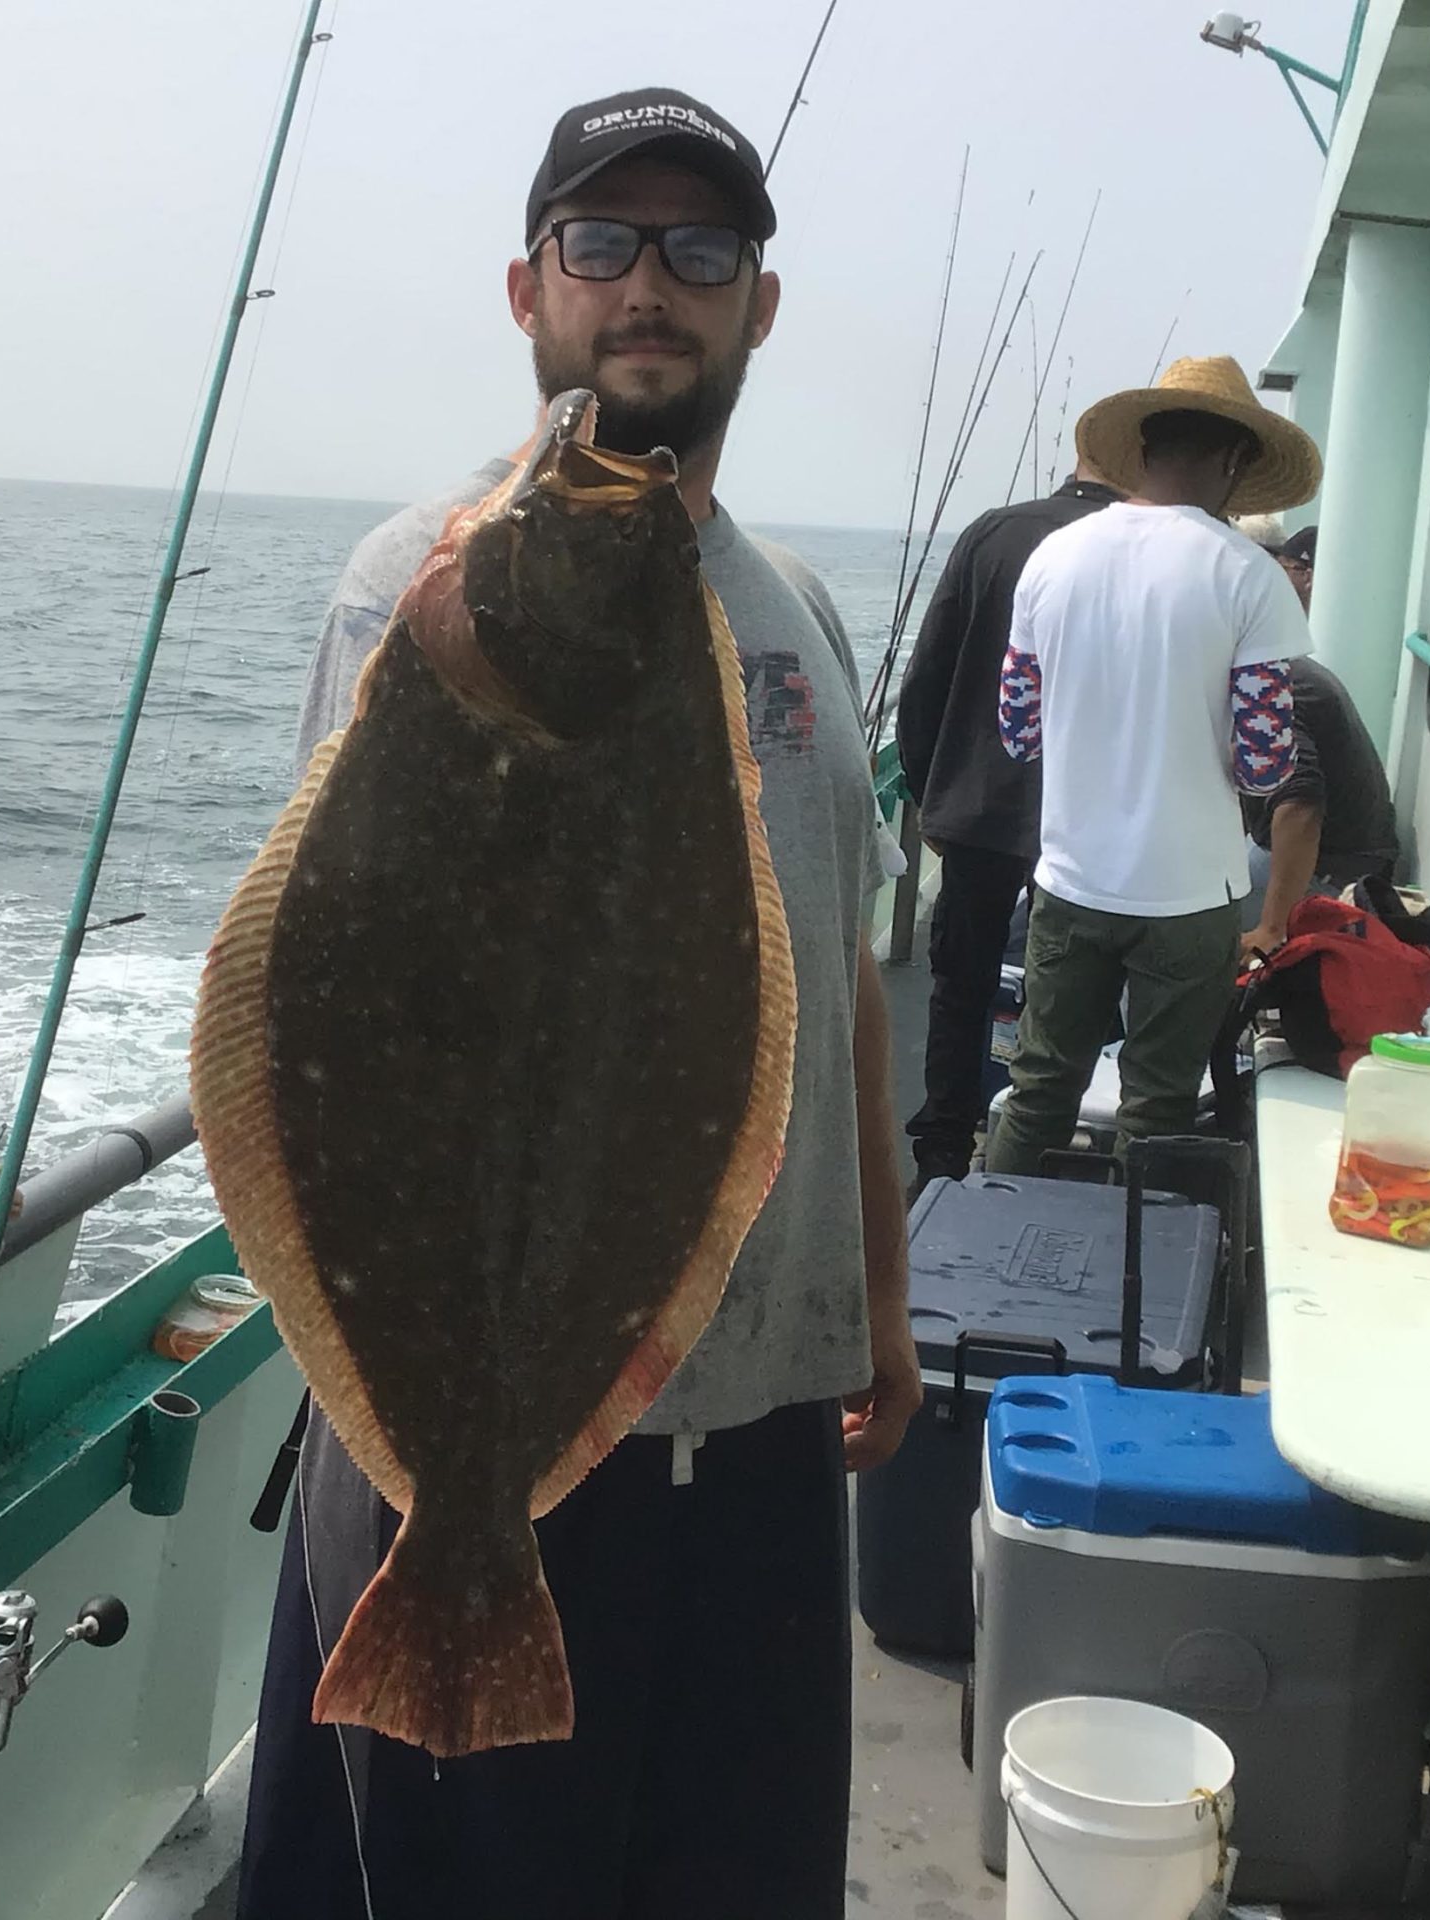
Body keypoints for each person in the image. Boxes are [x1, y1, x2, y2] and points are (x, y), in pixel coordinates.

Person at [239, 87, 918, 1920]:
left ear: (757, 306)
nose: (650, 289)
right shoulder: (416, 590)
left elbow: (831, 976)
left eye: (702, 253)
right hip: (474, 1429)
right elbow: (337, 1003)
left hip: (763, 1428)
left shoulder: (801, 618)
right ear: (528, 289)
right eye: (602, 246)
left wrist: (882, 1305)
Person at [986, 356, 1319, 1174]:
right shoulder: (1251, 575)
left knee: (1038, 1092)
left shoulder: (1054, 558)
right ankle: (1134, 1288)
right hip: (1191, 899)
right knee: (1157, 1107)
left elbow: (1018, 731)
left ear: (1144, 448)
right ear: (1236, 461)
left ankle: (989, 1259)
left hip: (1069, 884)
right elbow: (1264, 761)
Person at [893, 464, 1122, 1192]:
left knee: (962, 982)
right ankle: (1058, 1144)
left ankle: (942, 1149)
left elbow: (928, 673)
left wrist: (934, 793)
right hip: (1094, 818)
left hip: (981, 806)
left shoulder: (993, 532)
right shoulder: (1142, 547)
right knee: (1080, 987)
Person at [1240, 656, 1401, 958]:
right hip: (1339, 854)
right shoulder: (1278, 666)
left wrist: (1272, 929)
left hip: (1336, 872)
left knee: (1176, 923)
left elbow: (1300, 806)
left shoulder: (1265, 690)